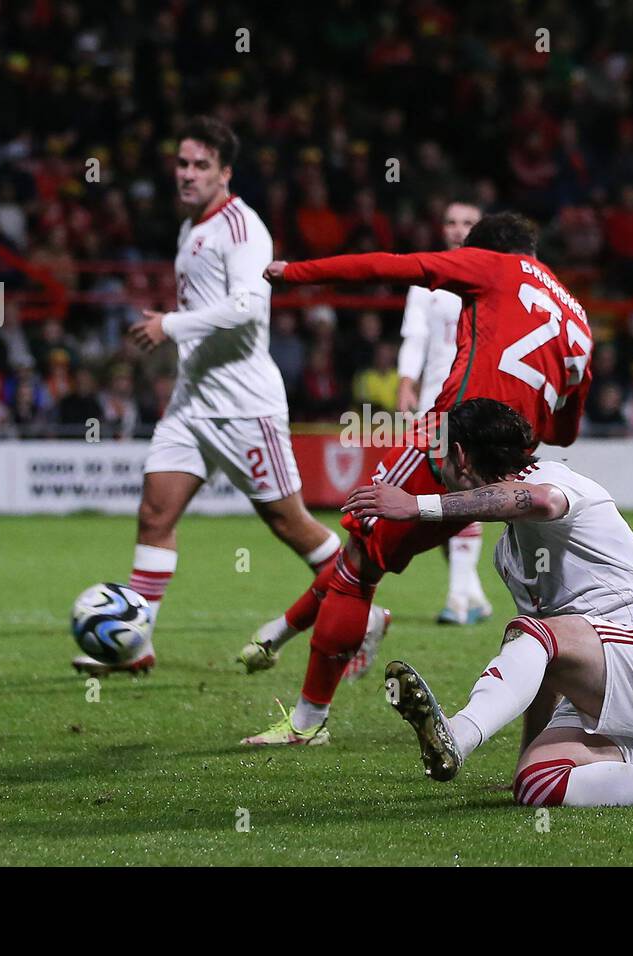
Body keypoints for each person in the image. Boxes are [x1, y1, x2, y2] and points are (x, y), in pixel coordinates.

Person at [239, 212, 593, 746]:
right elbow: (565, 431)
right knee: (372, 555)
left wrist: (296, 273)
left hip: (449, 441)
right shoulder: (580, 319)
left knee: (360, 560)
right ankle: (280, 632)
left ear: (486, 250)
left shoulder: (492, 267)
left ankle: (307, 723)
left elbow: (393, 265)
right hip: (506, 478)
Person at [346, 398, 633, 808]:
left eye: (442, 454)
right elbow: (541, 667)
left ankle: (459, 736)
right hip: (606, 694)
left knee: (532, 632)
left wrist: (419, 505)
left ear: (461, 456)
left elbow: (536, 501)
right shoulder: (509, 554)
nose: (437, 464)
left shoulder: (551, 478)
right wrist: (526, 754)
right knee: (538, 784)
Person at [100, 117, 371, 676]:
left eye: (201, 165)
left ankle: (363, 619)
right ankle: (134, 642)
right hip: (192, 400)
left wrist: (171, 326)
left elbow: (249, 305)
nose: (188, 174)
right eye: (182, 163)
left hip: (244, 404)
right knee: (155, 514)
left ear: (225, 172)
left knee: (289, 524)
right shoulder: (190, 227)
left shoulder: (243, 229)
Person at [394, 200, 493, 627]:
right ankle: (472, 592)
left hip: (476, 398)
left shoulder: (493, 277)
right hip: (433, 399)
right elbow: (414, 337)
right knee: (441, 494)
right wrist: (405, 381)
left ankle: (456, 598)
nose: (458, 230)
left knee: (465, 491)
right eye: (451, 222)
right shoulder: (427, 278)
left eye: (467, 223)